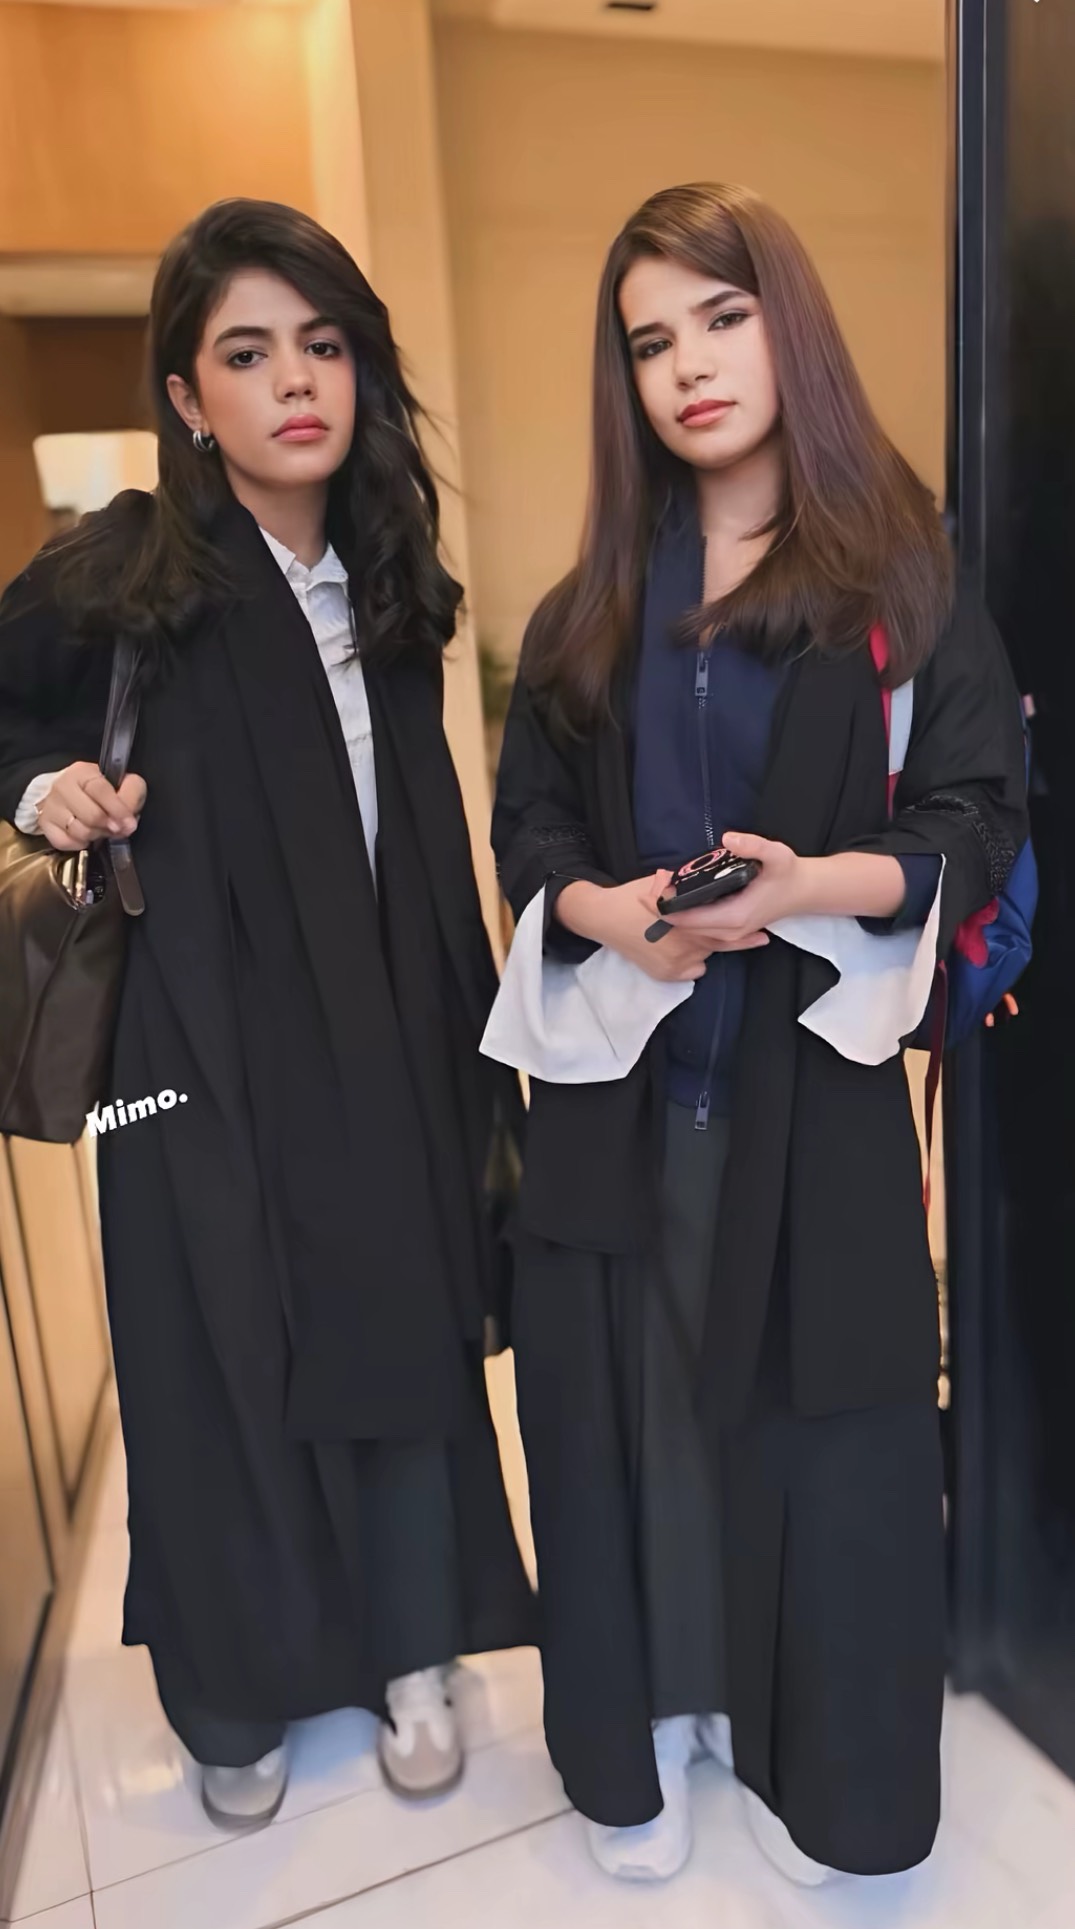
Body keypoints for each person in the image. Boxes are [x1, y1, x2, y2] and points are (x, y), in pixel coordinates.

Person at [485, 183, 1028, 1884]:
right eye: (652, 340)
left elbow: (975, 812)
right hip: (627, 1086)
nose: (690, 366)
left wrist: (804, 885)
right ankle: (660, 1720)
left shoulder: (901, 582)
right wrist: (608, 914)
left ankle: (822, 1771)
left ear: (788, 324)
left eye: (722, 318)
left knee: (823, 1428)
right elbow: (529, 827)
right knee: (635, 1414)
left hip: (811, 1088)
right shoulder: (594, 602)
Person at [0, 199, 534, 1831]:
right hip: (192, 1060)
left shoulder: (392, 573)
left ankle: (412, 1649)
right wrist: (41, 787)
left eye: (324, 344)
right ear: (186, 395)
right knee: (208, 1350)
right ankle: (237, 1686)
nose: (295, 381)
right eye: (247, 353)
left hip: (387, 1028)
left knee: (399, 1324)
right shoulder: (119, 571)